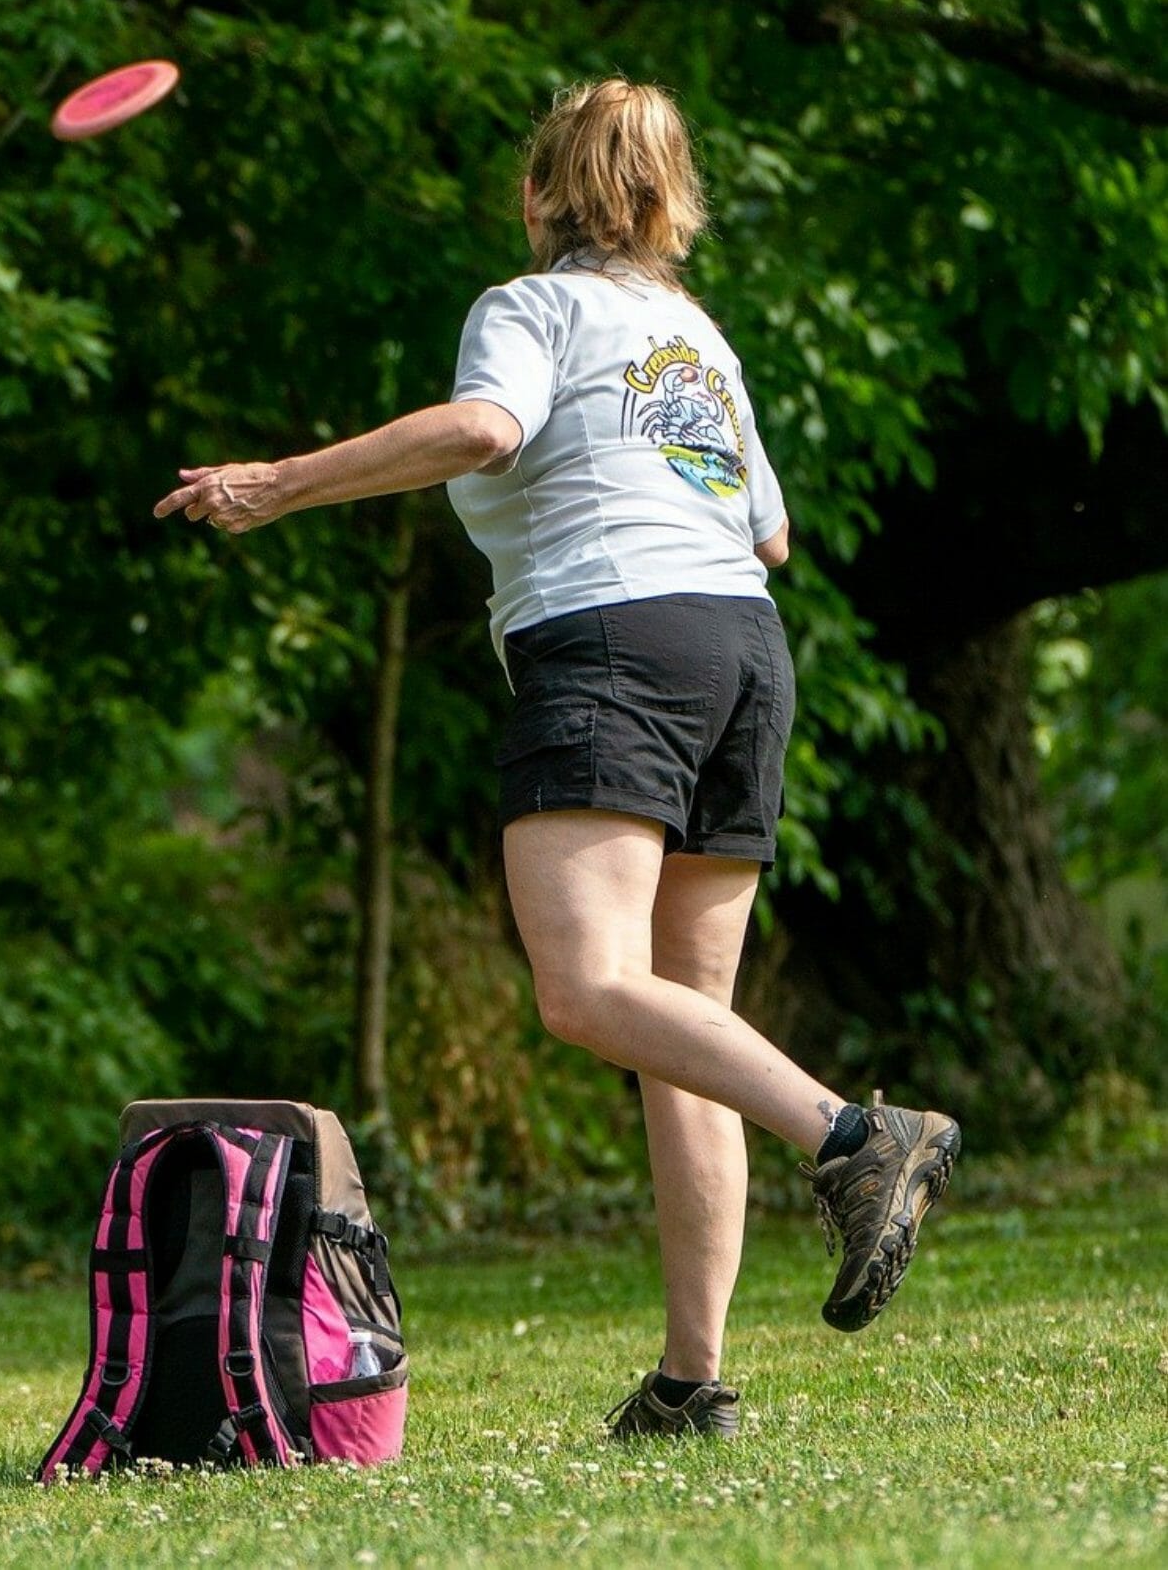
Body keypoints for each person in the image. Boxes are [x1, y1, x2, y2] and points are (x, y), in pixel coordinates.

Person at [152, 78, 959, 1439]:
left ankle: (852, 1136)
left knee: (586, 990)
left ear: (534, 198)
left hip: (612, 641)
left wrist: (278, 482)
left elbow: (483, 430)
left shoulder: (526, 307)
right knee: (680, 1029)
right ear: (664, 204)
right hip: (741, 648)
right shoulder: (696, 339)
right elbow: (768, 533)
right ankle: (691, 1382)